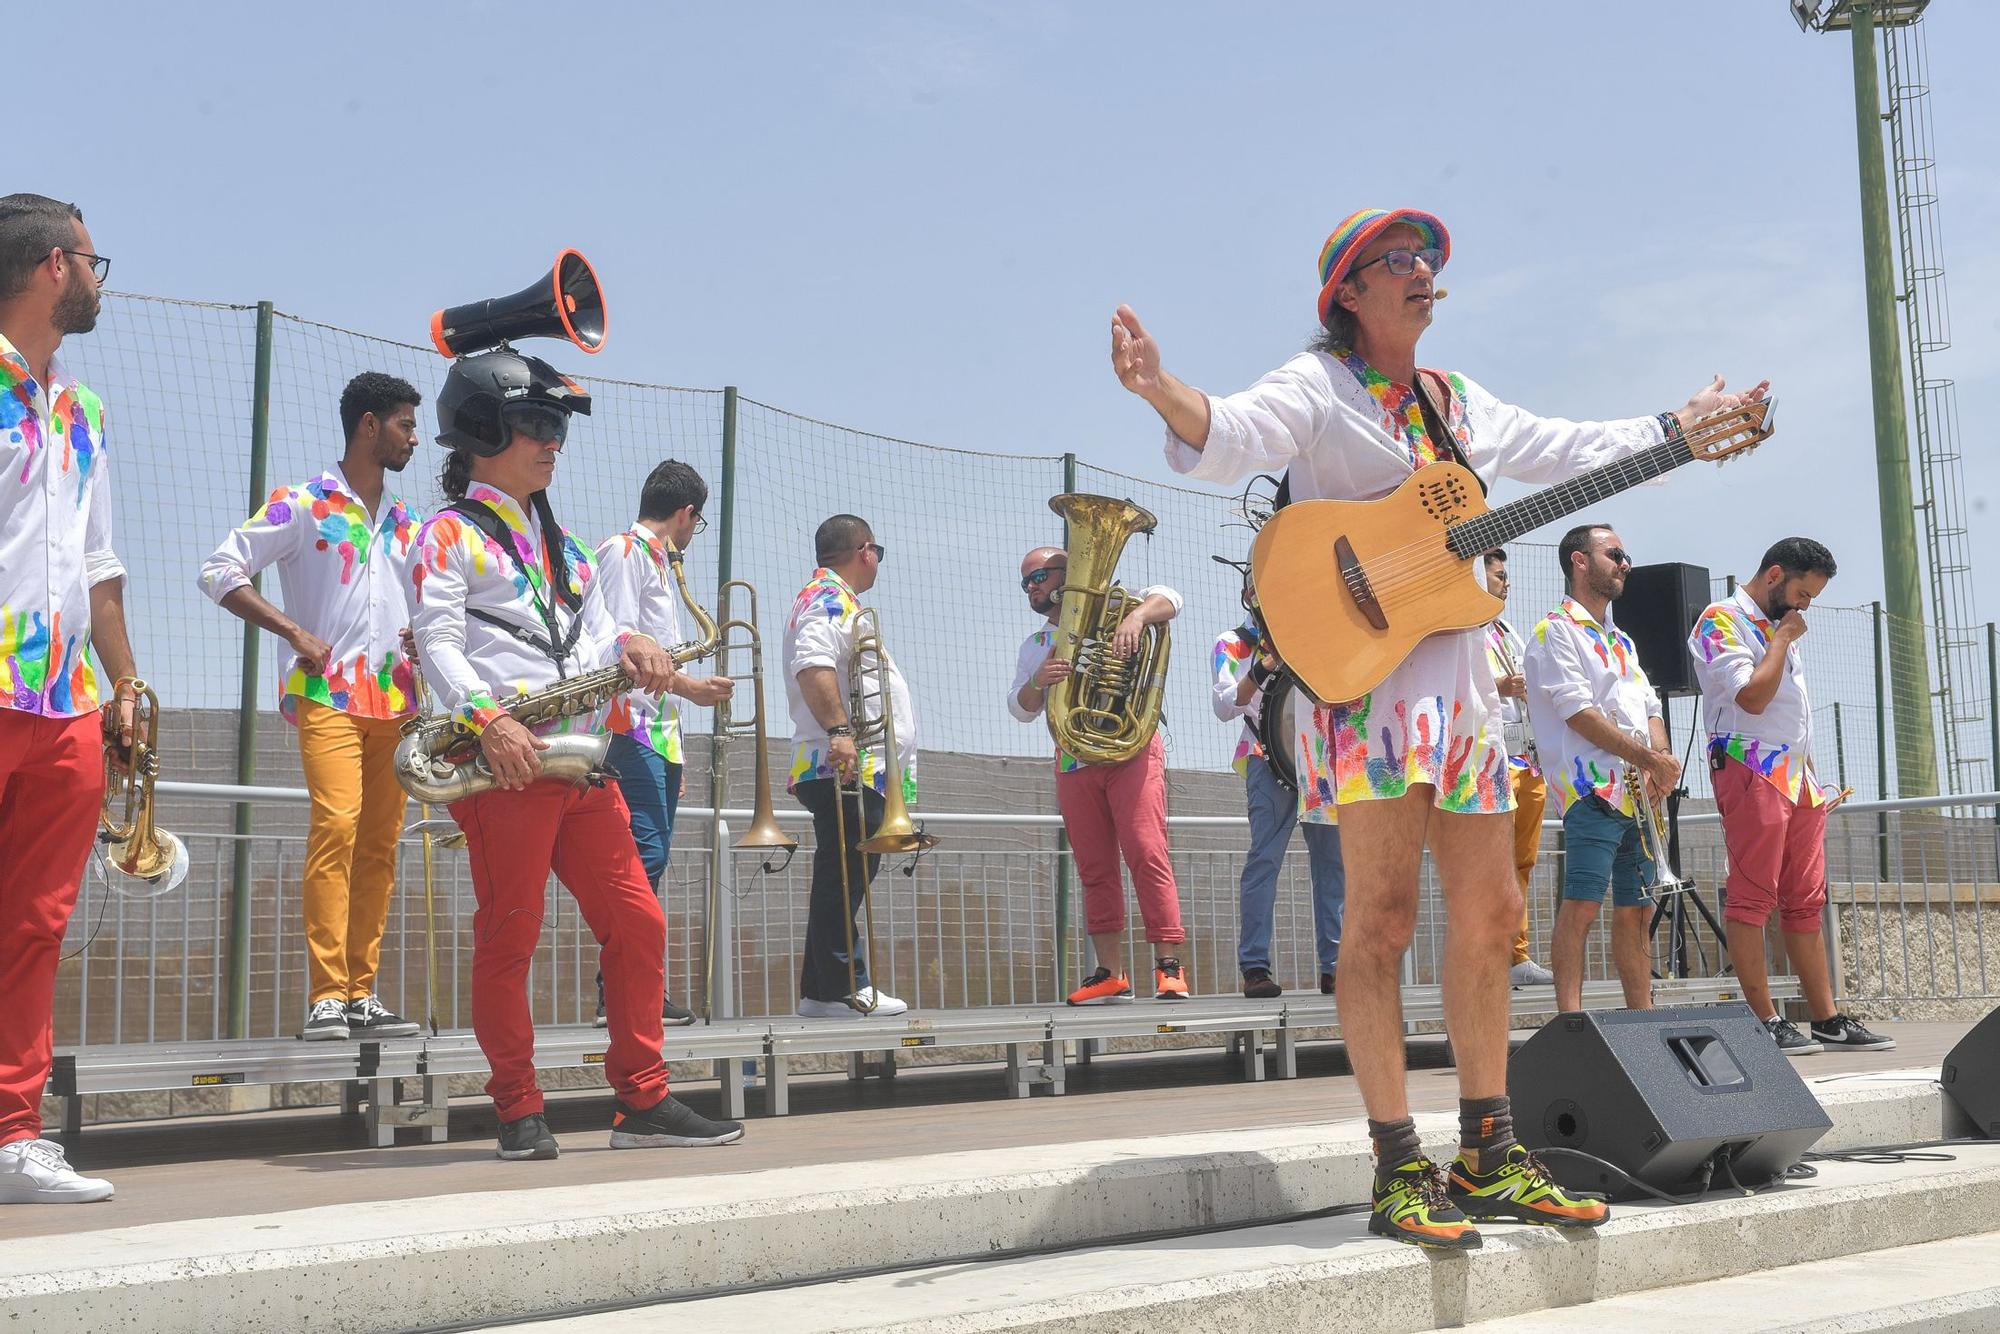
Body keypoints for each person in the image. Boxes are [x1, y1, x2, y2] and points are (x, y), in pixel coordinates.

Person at [1114, 204, 1766, 1248]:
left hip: (1461, 697)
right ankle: (1393, 1162)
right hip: (1365, 691)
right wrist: (1159, 387)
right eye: (1397, 261)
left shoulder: (1452, 401)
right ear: (1349, 292)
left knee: (1490, 908)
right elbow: (1229, 433)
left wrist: (1672, 430)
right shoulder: (1317, 386)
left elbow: (1564, 446)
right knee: (1375, 919)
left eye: (1425, 260)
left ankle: (1487, 1147)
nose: (1422, 272)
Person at [410, 348, 743, 1159]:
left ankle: (643, 1100)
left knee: (639, 921)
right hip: (508, 762)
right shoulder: (446, 533)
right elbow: (436, 642)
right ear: (483, 431)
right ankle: (519, 1111)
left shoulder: (563, 545)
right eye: (535, 424)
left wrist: (631, 641)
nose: (553, 440)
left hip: (581, 760)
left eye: (556, 425)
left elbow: (593, 638)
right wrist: (489, 721)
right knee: (509, 936)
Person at [200, 372, 426, 1041]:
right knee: (339, 826)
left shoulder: (412, 523)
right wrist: (292, 631)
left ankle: (363, 991)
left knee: (381, 846)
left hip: (398, 700)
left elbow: (433, 601)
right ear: (368, 425)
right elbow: (220, 568)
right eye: (404, 425)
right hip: (326, 692)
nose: (413, 437)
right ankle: (328, 993)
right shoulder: (302, 503)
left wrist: (424, 627)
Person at [0, 194, 129, 1205]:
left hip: (65, 702)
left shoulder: (82, 408)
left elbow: (97, 564)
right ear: (53, 265)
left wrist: (125, 683)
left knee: (37, 920)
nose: (99, 278)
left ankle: (14, 1137)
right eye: (94, 260)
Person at [1688, 538, 1893, 1056]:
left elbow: (1792, 713)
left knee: (1806, 898)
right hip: (1747, 760)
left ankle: (1826, 1018)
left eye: (1812, 597)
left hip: (1795, 773)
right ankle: (1764, 1018)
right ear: (1775, 574)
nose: (1805, 605)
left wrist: (1815, 780)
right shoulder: (1721, 619)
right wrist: (1780, 638)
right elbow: (1752, 698)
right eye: (1802, 592)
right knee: (1753, 893)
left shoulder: (1782, 625)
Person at [1009, 545, 1189, 1003]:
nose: (1032, 587)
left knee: (1147, 851)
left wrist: (1137, 619)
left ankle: (1169, 967)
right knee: (1094, 869)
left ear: (1067, 576)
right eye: (1026, 581)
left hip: (1130, 749)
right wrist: (1038, 682)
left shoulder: (1116, 608)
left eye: (1040, 577)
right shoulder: (1034, 646)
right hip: (1075, 760)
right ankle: (1111, 973)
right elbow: (1019, 708)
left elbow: (1170, 596)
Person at [591, 459, 736, 1028]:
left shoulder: (649, 559)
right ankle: (624, 990)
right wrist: (692, 687)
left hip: (657, 728)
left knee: (650, 859)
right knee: (642, 857)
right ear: (686, 515)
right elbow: (622, 647)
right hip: (629, 726)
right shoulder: (625, 553)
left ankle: (633, 986)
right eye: (695, 526)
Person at [1521, 525, 1673, 1015]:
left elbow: (1650, 705)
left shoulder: (1621, 639)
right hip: (1592, 792)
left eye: (1625, 555)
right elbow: (1577, 712)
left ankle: (1643, 1019)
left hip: (1637, 792)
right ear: (1579, 561)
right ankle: (1570, 1020)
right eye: (1615, 554)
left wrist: (1660, 762)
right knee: (1582, 905)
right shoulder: (1554, 630)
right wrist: (1648, 759)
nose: (1625, 563)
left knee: (1638, 909)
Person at [784, 515, 917, 1019]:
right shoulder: (828, 600)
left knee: (842, 875)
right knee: (843, 876)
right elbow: (813, 665)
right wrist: (840, 733)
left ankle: (821, 991)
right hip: (846, 764)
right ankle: (845, 986)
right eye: (877, 550)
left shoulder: (832, 599)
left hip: (851, 764)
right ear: (865, 550)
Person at [1212, 577, 1343, 998]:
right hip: (1265, 757)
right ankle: (1255, 966)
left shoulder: (1315, 637)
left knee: (1333, 864)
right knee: (1264, 860)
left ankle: (1336, 967)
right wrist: (1264, 665)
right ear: (1249, 594)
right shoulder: (1233, 642)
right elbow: (1224, 705)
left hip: (1318, 760)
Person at [1483, 549, 1554, 988]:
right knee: (1492, 863)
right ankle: (1492, 954)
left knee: (1522, 862)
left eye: (1507, 576)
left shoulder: (1506, 630)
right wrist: (1501, 686)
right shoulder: (1461, 631)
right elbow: (1457, 690)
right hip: (1491, 761)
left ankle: (1516, 954)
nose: (1505, 583)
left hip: (1527, 758)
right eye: (1498, 575)